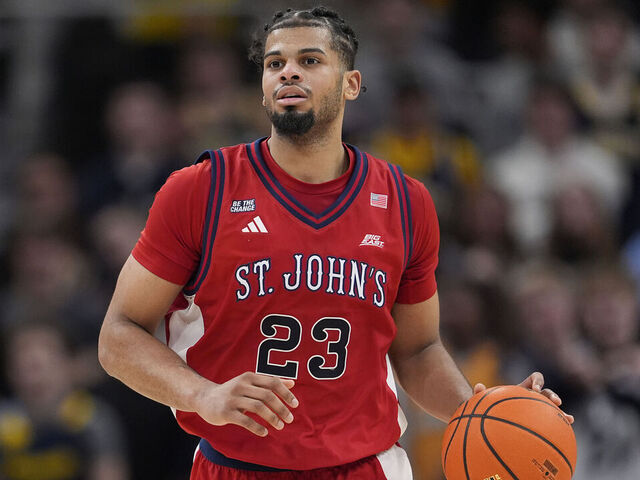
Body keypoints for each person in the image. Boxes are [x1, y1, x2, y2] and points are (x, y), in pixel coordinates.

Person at [98, 6, 572, 479]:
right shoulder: (201, 189)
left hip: (366, 467)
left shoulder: (406, 203)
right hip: (235, 466)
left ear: (351, 83)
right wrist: (202, 394)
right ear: (263, 91)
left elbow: (418, 350)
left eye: (310, 60)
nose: (288, 72)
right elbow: (118, 335)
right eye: (274, 63)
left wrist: (488, 414)